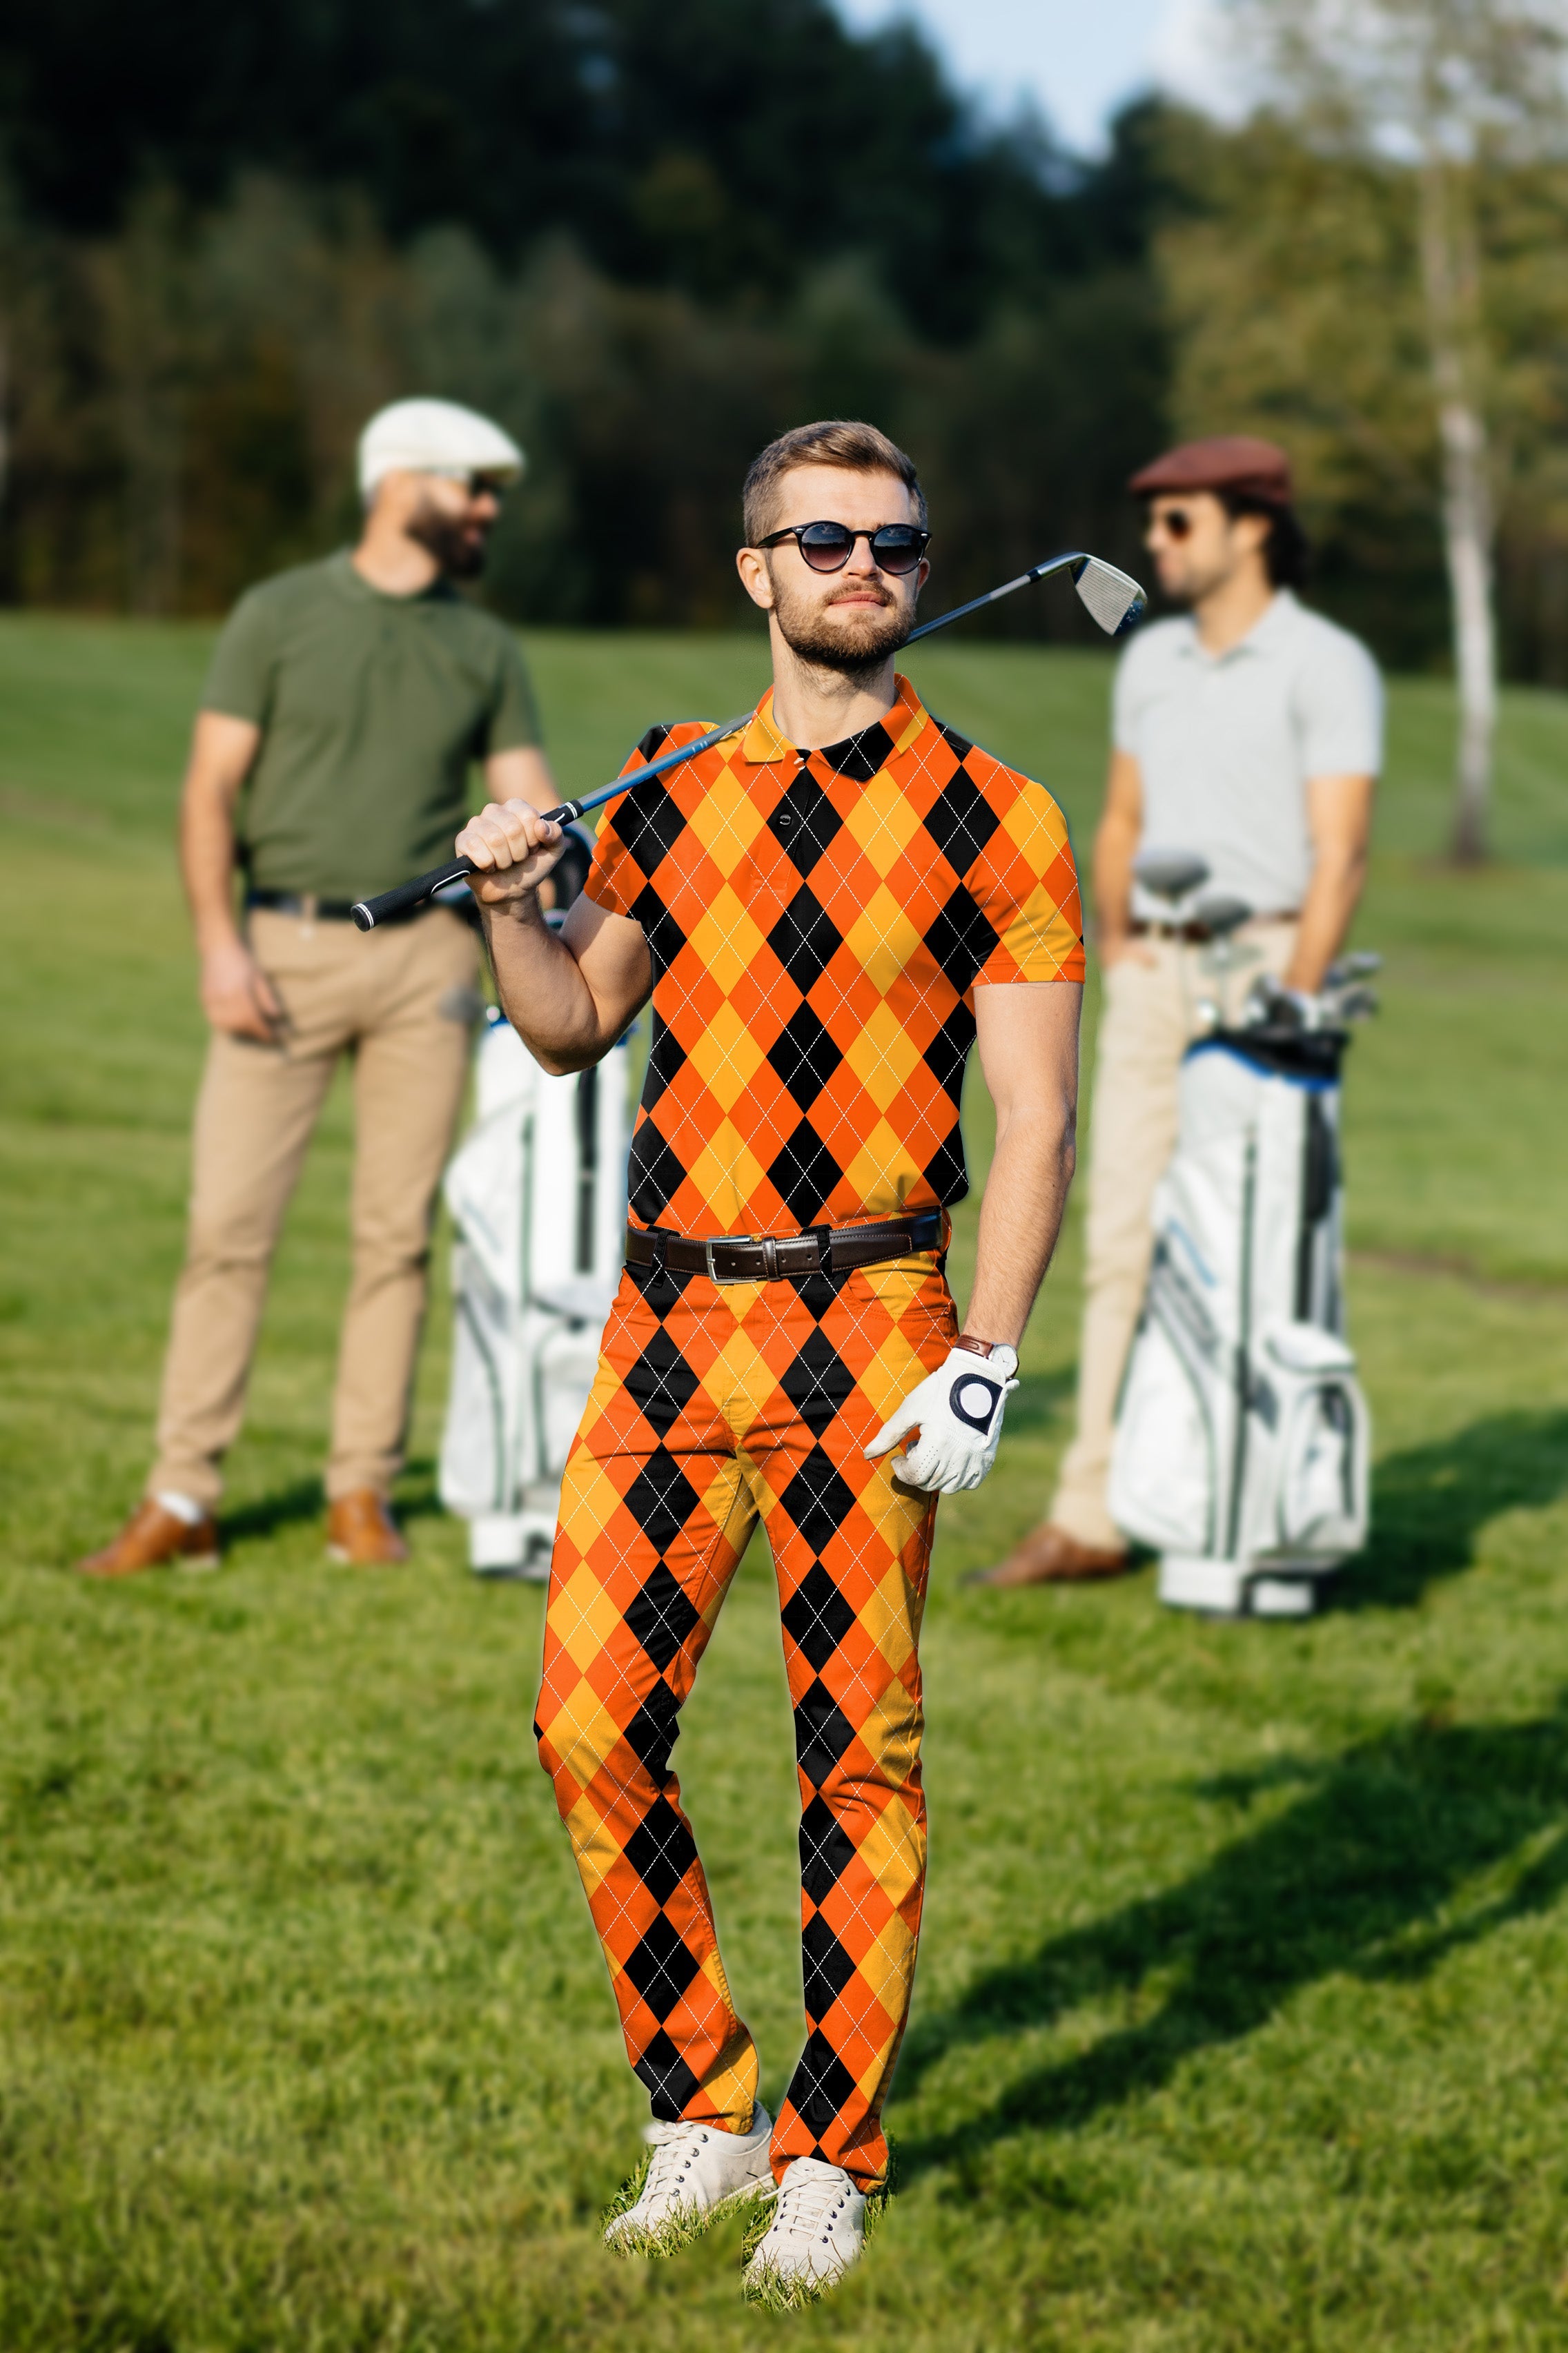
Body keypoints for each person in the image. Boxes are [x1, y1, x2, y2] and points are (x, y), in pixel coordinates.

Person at [453, 420, 1084, 2301]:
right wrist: (508, 901)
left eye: (894, 539)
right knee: (588, 1722)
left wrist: (988, 1352)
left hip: (872, 1322)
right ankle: (703, 2105)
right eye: (822, 539)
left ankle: (830, 2154)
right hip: (666, 1323)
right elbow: (568, 1026)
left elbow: (1039, 1118)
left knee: (853, 1752)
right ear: (757, 573)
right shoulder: (662, 789)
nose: (863, 564)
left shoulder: (999, 816)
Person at [77, 398, 558, 1576]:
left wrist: (557, 868)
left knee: (395, 1237)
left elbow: (536, 802)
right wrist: (218, 946)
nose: (487, 510)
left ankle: (360, 1495)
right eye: (471, 486)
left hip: (429, 964)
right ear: (398, 483)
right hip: (279, 950)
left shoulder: (485, 647)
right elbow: (209, 790)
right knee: (226, 1229)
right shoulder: (277, 614)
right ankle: (183, 1494)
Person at [979, 433, 1382, 1589]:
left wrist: (1295, 1000)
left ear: (1253, 527)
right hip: (1155, 975)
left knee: (1254, 1249)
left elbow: (1342, 854)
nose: (1155, 542)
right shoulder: (1150, 659)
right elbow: (1121, 819)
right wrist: (1121, 943)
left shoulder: (1327, 663)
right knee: (1120, 1241)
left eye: (1179, 520)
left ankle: (1251, 1506)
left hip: (1268, 973)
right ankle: (1094, 1512)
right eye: (1151, 520)